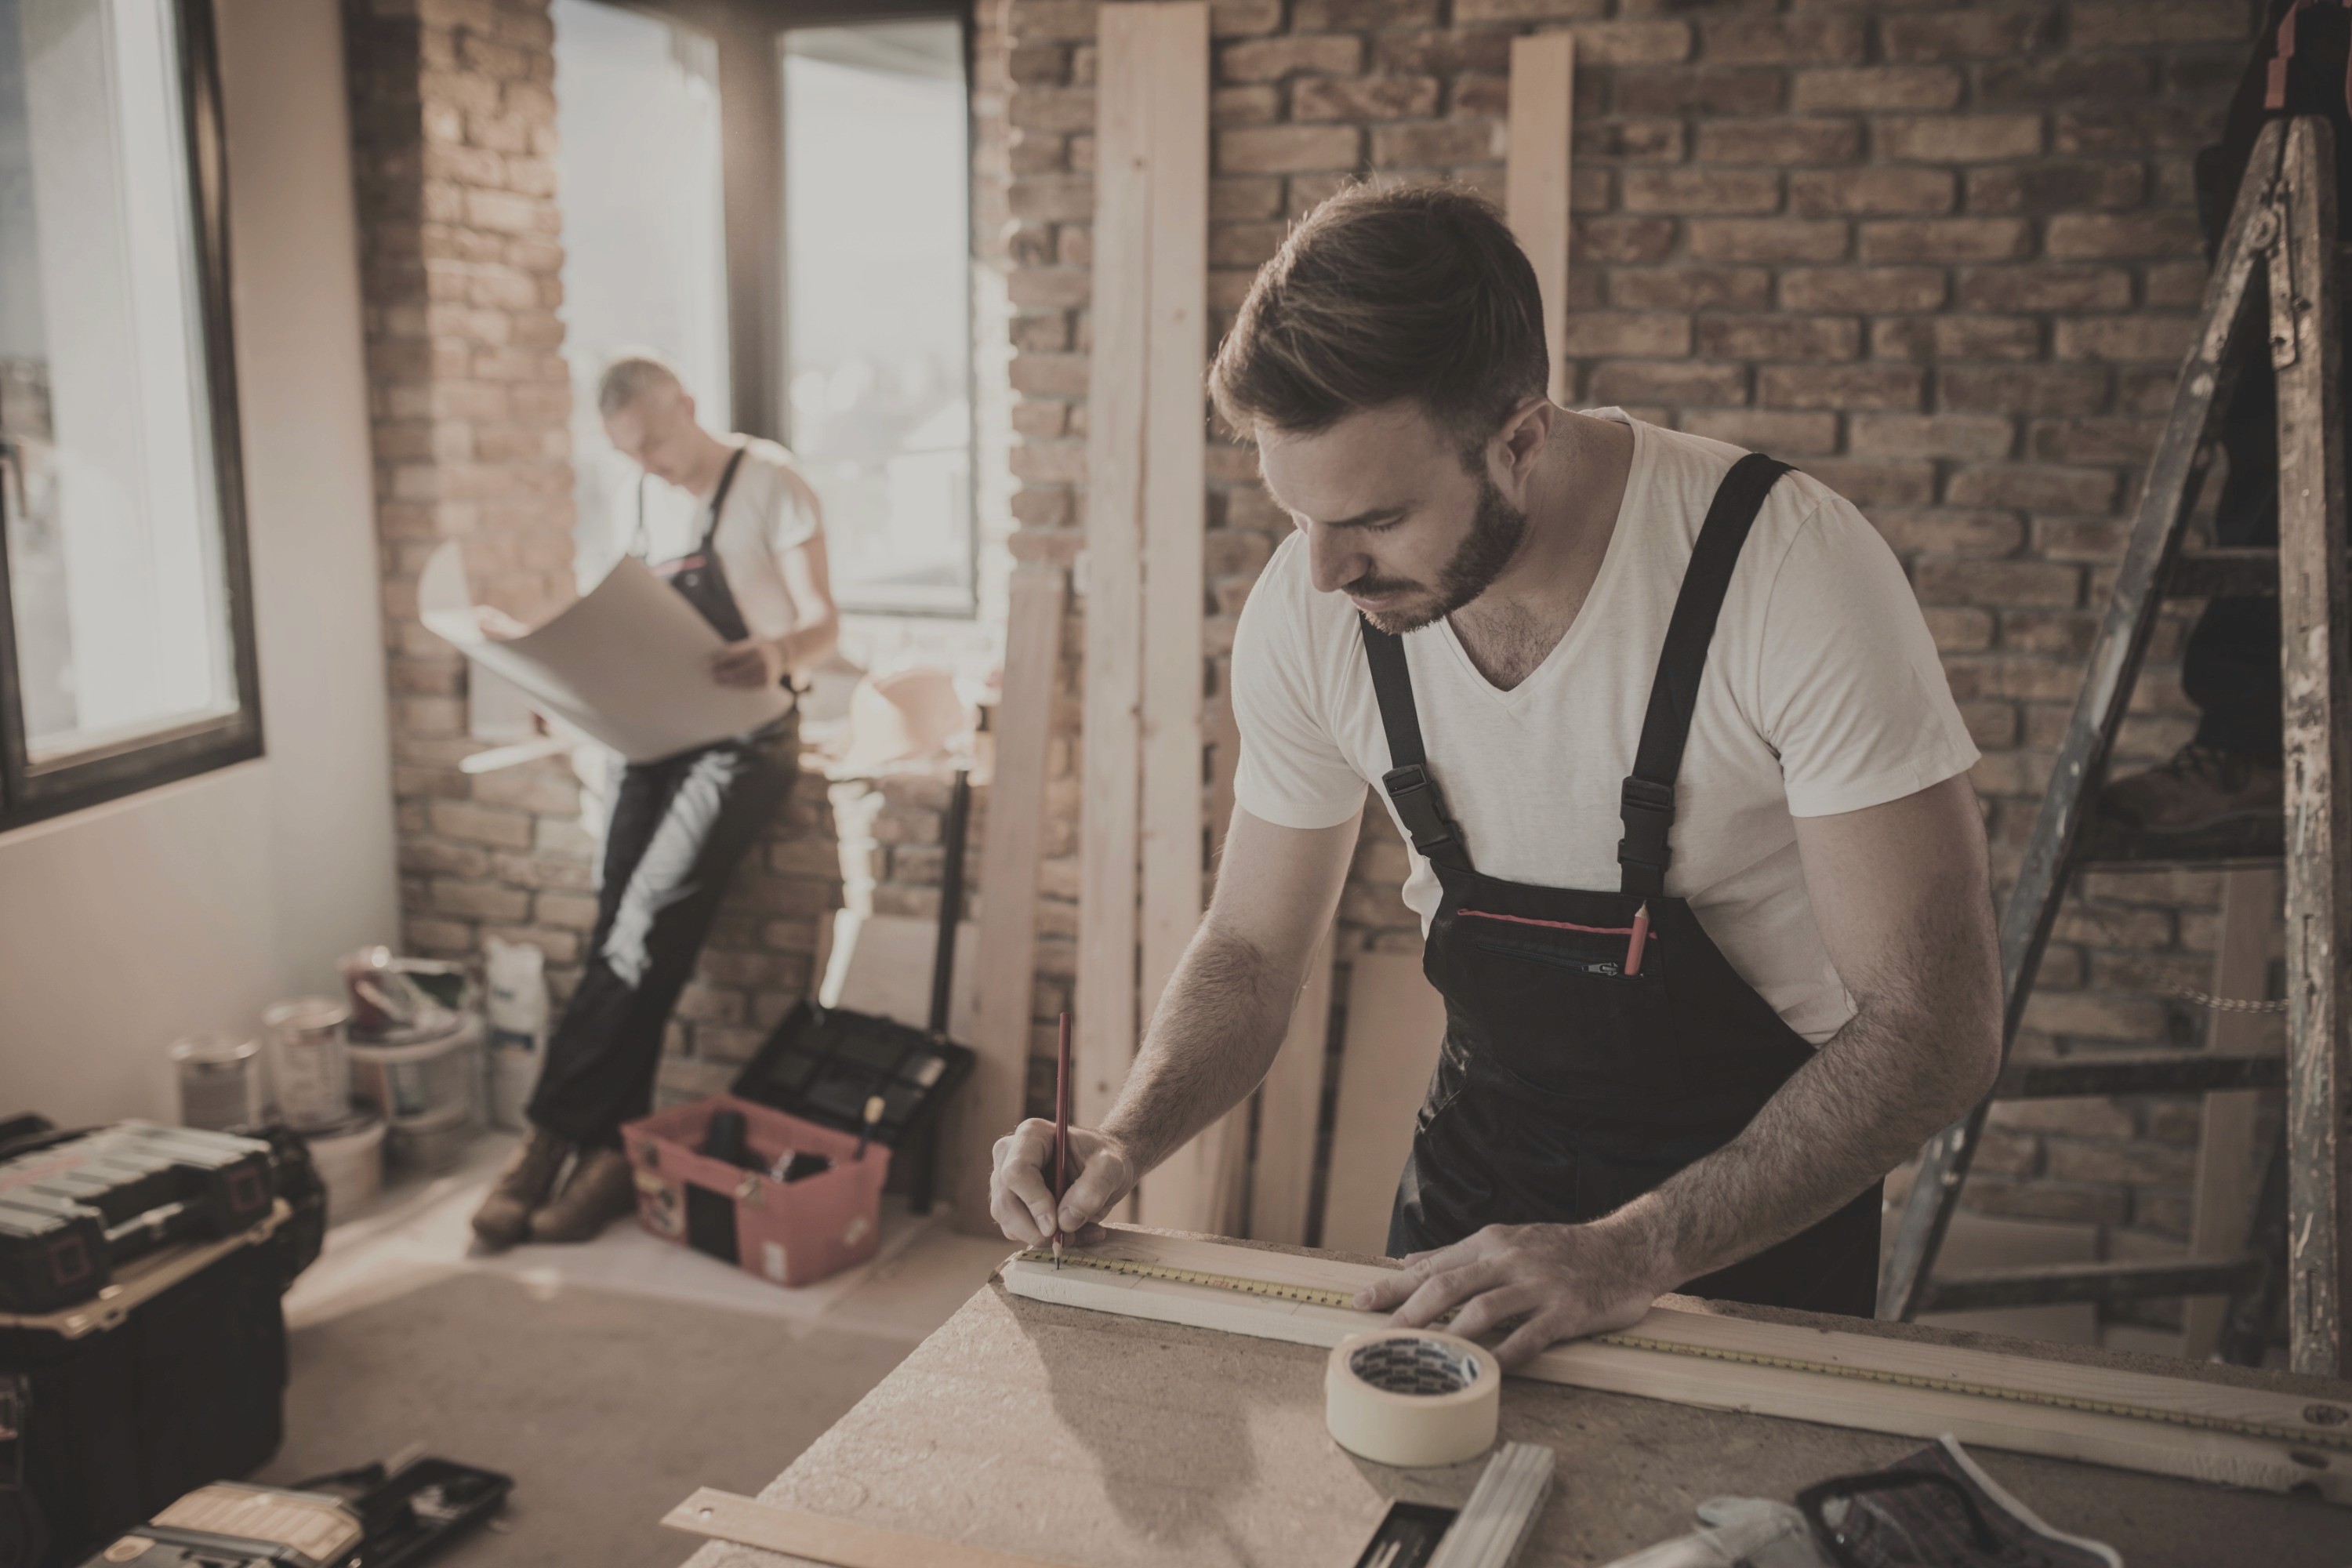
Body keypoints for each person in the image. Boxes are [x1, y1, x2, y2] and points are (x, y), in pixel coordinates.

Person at [988, 186, 2005, 1367]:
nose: (1323, 574)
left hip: (1748, 1217)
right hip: (1477, 1184)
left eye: (1374, 517)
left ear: (1520, 437)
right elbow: (1253, 948)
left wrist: (1632, 1251)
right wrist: (1122, 1138)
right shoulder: (1316, 605)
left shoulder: (1788, 575)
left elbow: (1937, 1032)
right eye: (1298, 517)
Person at [470, 356, 839, 1248]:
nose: (649, 464)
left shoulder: (770, 480)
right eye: (628, 453)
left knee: (643, 930)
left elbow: (826, 623)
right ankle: (605, 1153)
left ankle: (548, 1140)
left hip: (746, 740)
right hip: (653, 740)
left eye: (656, 441)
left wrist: (778, 651)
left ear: (688, 404)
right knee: (624, 939)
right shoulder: (644, 499)